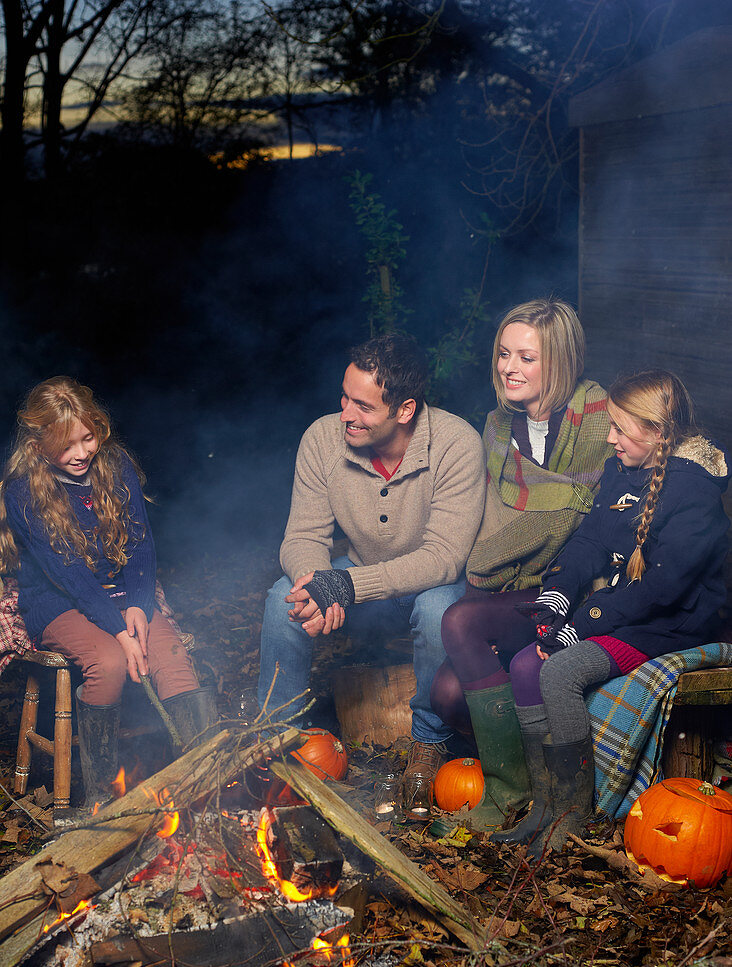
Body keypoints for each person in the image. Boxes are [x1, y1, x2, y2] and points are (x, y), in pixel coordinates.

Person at [496, 370, 729, 854]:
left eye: (621, 429)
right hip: (629, 607)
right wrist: (555, 595)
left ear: (659, 433)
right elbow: (591, 542)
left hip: (673, 624)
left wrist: (580, 626)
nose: (610, 438)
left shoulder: (695, 495)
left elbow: (663, 590)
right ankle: (545, 804)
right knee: (523, 665)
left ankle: (573, 814)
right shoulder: (620, 470)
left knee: (560, 672)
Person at [257, 333, 486, 808]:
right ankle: (275, 743)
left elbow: (445, 556)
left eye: (362, 406)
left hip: (428, 584)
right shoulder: (322, 438)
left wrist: (344, 585)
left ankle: (429, 743)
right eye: (344, 397)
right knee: (283, 598)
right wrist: (319, 583)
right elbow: (303, 536)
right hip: (357, 578)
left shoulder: (456, 443)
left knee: (442, 606)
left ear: (404, 410)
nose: (346, 413)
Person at [430, 299, 612, 828]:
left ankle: (509, 793)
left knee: (458, 620)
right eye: (504, 354)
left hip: (576, 588)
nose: (510, 367)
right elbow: (493, 523)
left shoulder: (597, 417)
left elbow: (587, 518)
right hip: (511, 588)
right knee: (444, 693)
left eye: (527, 357)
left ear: (561, 361)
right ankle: (526, 778)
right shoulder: (494, 427)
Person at [0, 377, 216, 813]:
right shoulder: (24, 491)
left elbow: (140, 545)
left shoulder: (114, 467)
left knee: (171, 656)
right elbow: (69, 575)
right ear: (38, 444)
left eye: (88, 437)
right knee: (111, 661)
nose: (81, 453)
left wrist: (137, 603)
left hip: (123, 593)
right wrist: (119, 631)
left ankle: (208, 783)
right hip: (59, 600)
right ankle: (103, 797)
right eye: (66, 446)